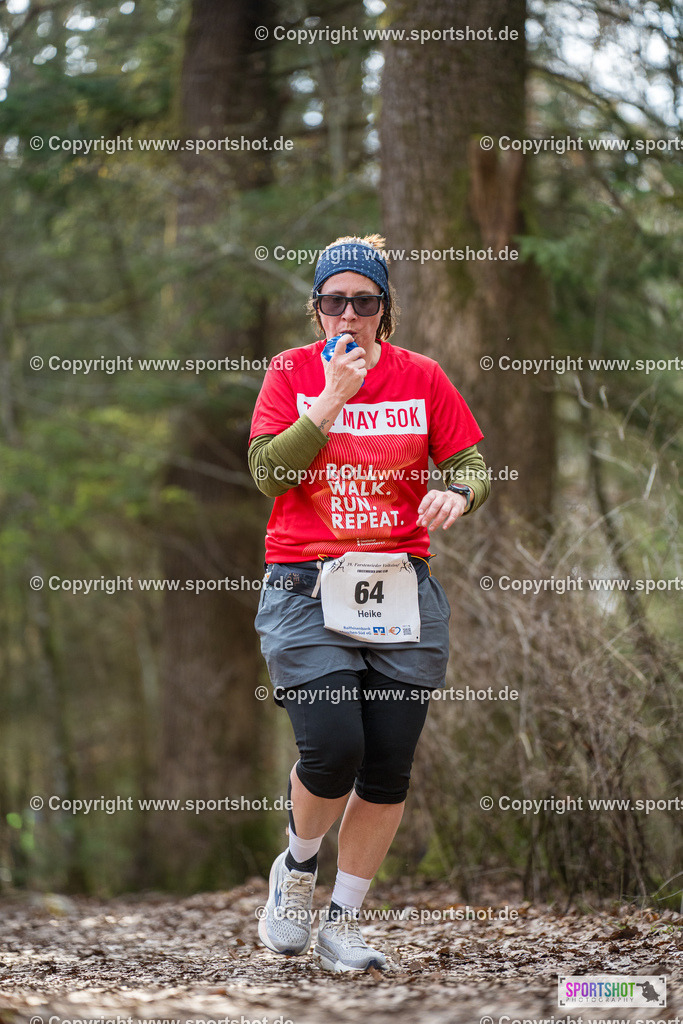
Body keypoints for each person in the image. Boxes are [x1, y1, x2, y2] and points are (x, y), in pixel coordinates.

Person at [249, 234, 490, 972]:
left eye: (363, 301)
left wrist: (456, 491)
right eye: (333, 301)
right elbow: (266, 473)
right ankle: (295, 871)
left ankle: (342, 922)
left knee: (386, 766)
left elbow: (471, 462)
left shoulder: (421, 376)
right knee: (332, 748)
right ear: (315, 309)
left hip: (400, 589)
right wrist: (328, 402)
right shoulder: (290, 372)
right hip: (304, 585)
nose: (347, 315)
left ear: (384, 310)